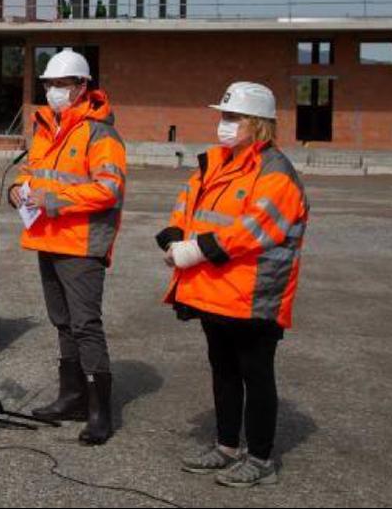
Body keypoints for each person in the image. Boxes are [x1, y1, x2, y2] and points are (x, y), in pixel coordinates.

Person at [157, 82, 307, 488]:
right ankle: (225, 447)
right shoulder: (216, 162)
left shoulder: (276, 172)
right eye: (223, 116)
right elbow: (187, 202)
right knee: (223, 370)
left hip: (255, 295)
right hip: (214, 289)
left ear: (257, 123)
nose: (223, 124)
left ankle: (259, 459)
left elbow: (255, 229)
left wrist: (194, 250)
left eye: (232, 117)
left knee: (256, 374)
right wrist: (174, 235)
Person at [8, 48, 126, 445]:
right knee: (62, 323)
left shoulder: (100, 132)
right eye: (49, 84)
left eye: (62, 84)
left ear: (82, 87)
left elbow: (108, 190)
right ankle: (72, 396)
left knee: (85, 325)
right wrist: (16, 190)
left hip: (82, 244)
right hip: (48, 237)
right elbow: (30, 171)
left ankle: (99, 412)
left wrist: (53, 199)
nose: (54, 91)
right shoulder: (46, 127)